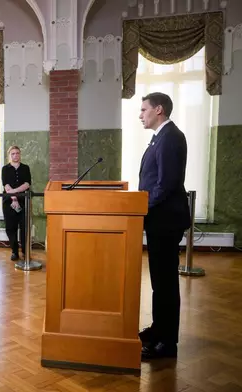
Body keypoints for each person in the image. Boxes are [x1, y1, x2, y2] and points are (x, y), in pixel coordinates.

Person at [137, 92, 190, 360]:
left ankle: (167, 344)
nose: (140, 114)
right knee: (160, 282)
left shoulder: (170, 137)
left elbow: (166, 184)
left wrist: (142, 206)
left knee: (166, 283)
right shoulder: (162, 136)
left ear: (159, 110)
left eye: (144, 109)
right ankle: (159, 329)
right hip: (159, 220)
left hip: (165, 220)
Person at [1, 146, 32, 261]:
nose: (15, 155)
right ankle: (14, 251)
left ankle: (25, 250)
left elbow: (27, 184)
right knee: (10, 227)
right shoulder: (5, 169)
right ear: (10, 155)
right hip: (8, 202)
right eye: (13, 154)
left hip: (24, 201)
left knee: (24, 227)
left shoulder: (25, 168)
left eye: (17, 153)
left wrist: (15, 192)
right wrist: (14, 198)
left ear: (20, 154)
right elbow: (6, 186)